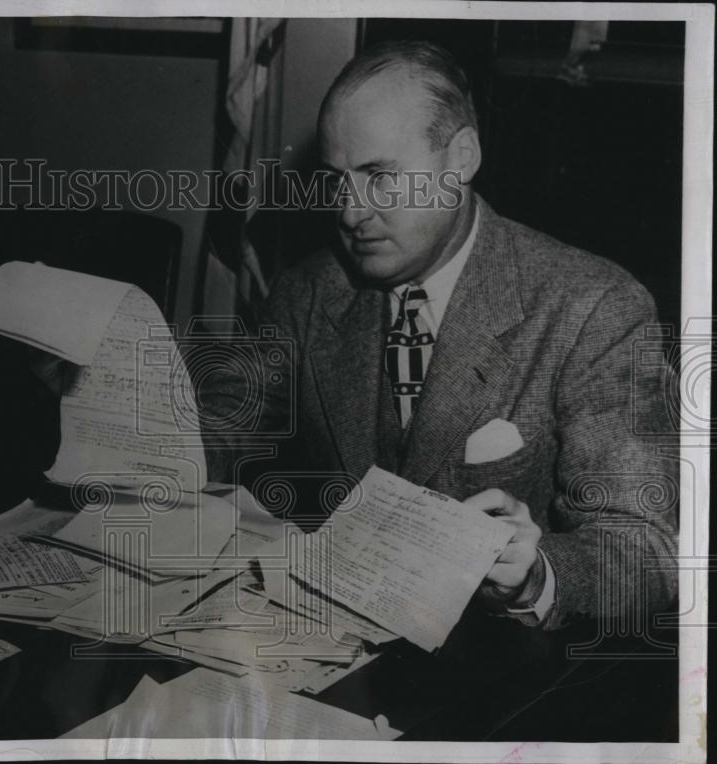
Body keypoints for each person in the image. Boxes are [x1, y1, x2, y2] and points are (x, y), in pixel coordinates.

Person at [200, 40, 679, 630]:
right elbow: (222, 426)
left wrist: (537, 574)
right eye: (338, 182)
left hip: (506, 673)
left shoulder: (593, 307)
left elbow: (647, 552)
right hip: (341, 649)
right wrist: (104, 401)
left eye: (380, 177)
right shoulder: (307, 291)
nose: (350, 213)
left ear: (461, 159)